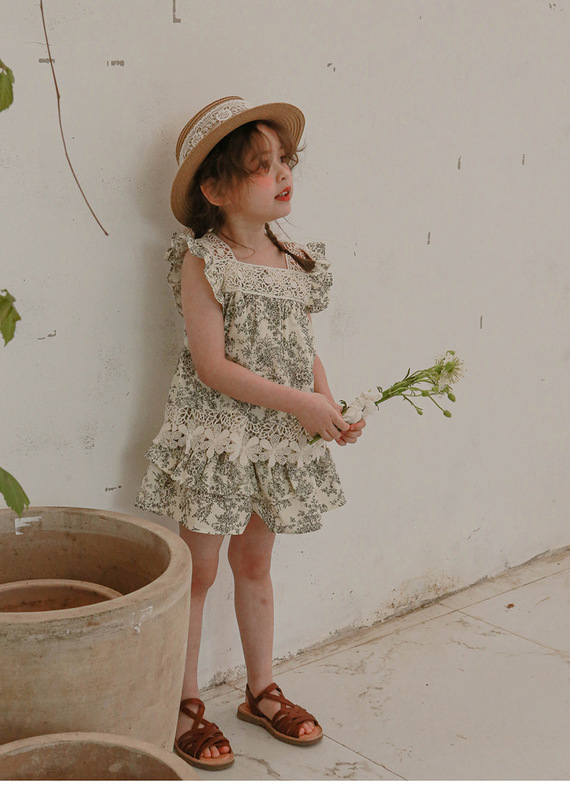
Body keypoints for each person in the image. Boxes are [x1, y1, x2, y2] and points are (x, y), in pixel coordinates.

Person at [135, 96, 366, 770]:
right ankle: (182, 703)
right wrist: (302, 403)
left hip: (275, 440)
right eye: (262, 166)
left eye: (285, 160)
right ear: (216, 189)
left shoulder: (295, 259)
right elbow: (212, 367)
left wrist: (327, 405)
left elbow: (301, 347)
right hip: (219, 439)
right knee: (199, 570)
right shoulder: (205, 260)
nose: (283, 173)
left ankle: (261, 690)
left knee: (256, 564)